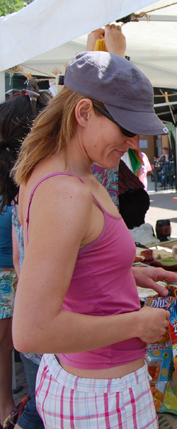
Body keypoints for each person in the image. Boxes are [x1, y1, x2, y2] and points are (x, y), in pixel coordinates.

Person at [11, 50, 177, 429]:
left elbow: (70, 266)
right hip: (100, 397)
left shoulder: (58, 171)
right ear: (84, 112)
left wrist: (125, 272)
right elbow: (30, 331)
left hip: (90, 385)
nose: (133, 141)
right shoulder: (67, 192)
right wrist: (136, 324)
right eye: (126, 128)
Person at [0, 84, 52, 428]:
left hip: (18, 283)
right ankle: (7, 409)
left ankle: (8, 409)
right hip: (12, 280)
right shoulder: (35, 185)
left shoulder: (24, 185)